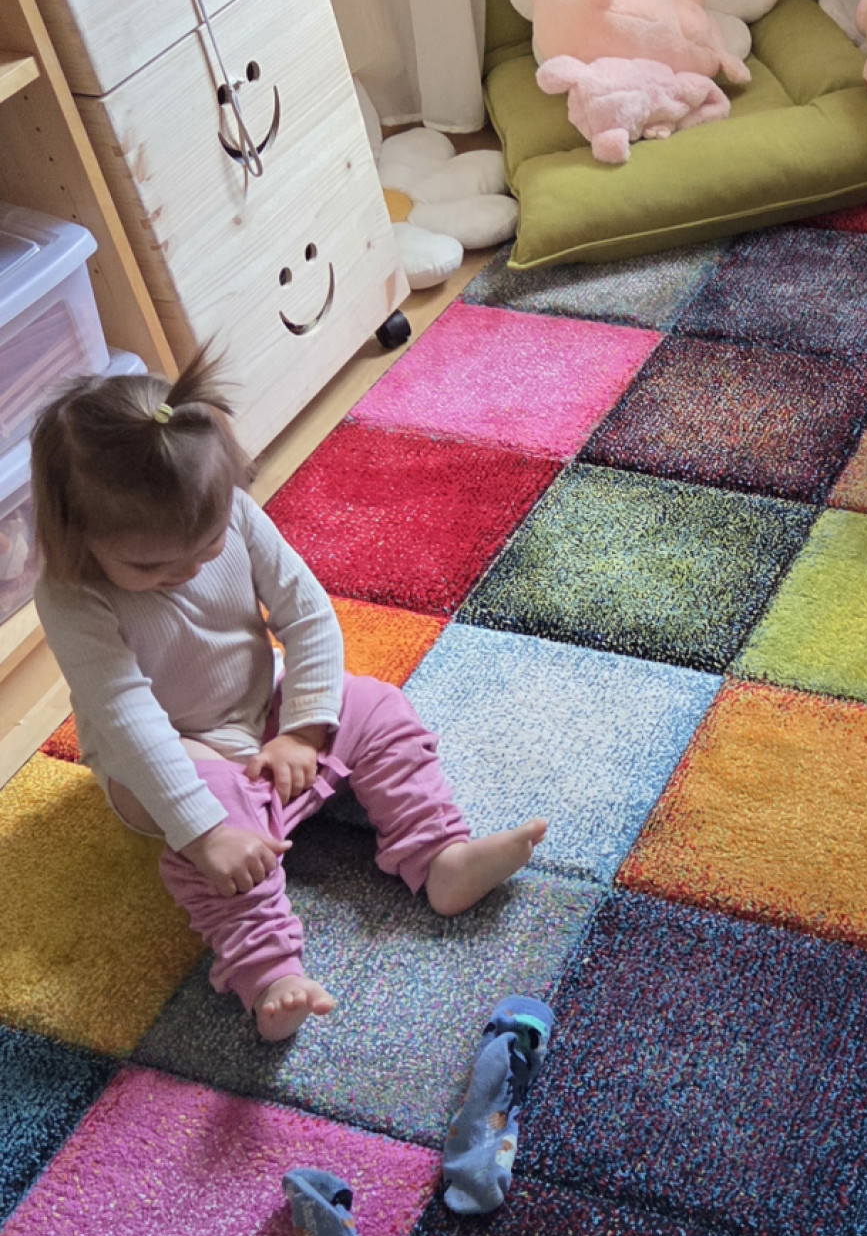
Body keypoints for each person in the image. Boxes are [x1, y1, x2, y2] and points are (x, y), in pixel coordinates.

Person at [30, 351, 548, 1041]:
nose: (185, 570)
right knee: (215, 805)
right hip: (167, 754)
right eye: (150, 564)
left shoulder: (236, 514)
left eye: (206, 547)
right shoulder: (70, 596)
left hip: (260, 703)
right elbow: (129, 719)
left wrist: (303, 729)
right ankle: (269, 973)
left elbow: (307, 616)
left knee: (377, 705)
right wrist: (205, 834)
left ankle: (439, 856)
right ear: (78, 539)